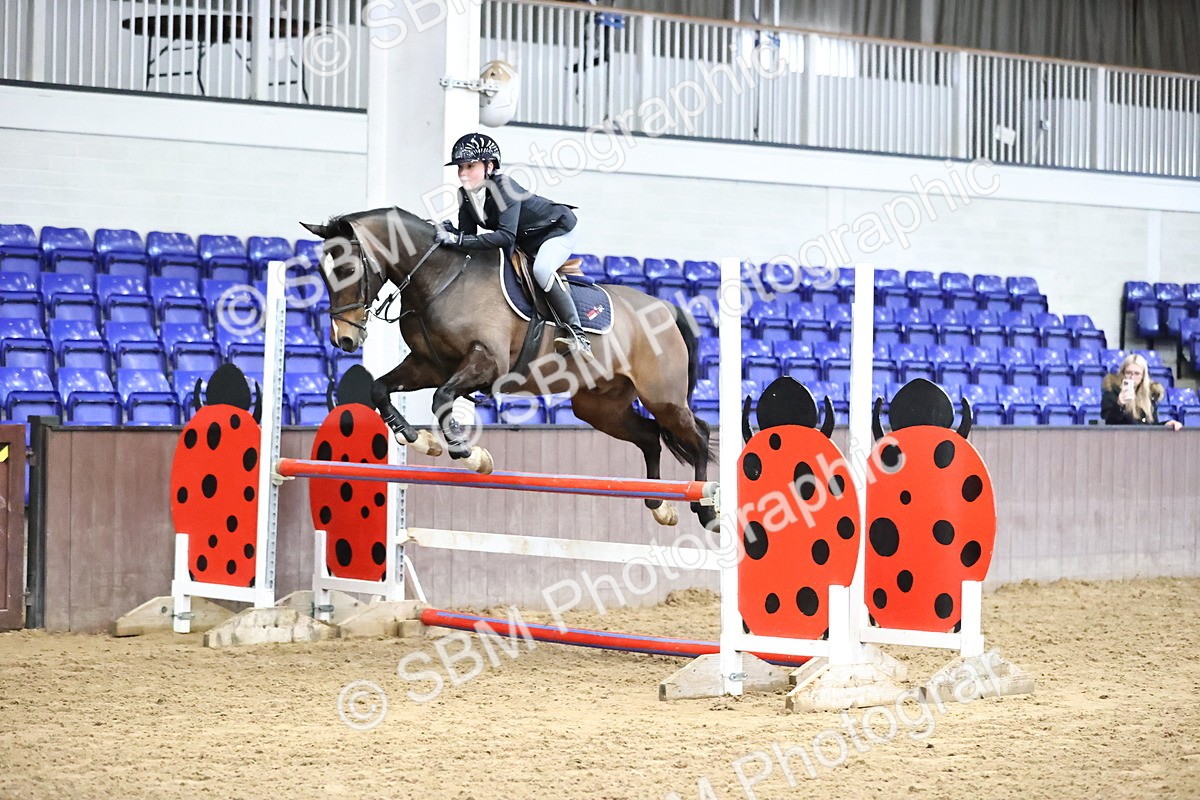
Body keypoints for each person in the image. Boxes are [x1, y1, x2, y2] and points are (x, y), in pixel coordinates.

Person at [435, 132, 592, 357]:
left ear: (489, 166)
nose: (463, 173)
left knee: (542, 269)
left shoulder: (504, 187)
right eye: (460, 168)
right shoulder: (465, 195)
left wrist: (457, 239)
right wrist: (451, 233)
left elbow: (505, 236)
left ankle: (577, 333)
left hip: (556, 231)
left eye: (470, 166)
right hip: (525, 239)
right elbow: (467, 237)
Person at [1101, 353, 1183, 430]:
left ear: (1143, 376)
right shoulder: (1111, 392)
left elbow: (1150, 426)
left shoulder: (1149, 395)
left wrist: (1165, 425)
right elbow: (1109, 423)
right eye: (1128, 373)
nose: (1132, 377)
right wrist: (1119, 405)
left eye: (1137, 373)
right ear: (1123, 373)